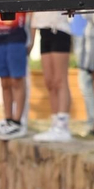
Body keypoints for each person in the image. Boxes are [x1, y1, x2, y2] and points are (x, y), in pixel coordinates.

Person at [0, 11, 29, 138]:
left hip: (16, 40)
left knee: (17, 81)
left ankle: (17, 121)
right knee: (4, 82)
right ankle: (8, 119)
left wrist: (31, 40)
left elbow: (31, 16)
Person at [30, 10, 73, 142]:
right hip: (43, 31)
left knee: (60, 80)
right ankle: (55, 123)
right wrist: (31, 40)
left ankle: (62, 124)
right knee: (49, 81)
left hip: (59, 30)